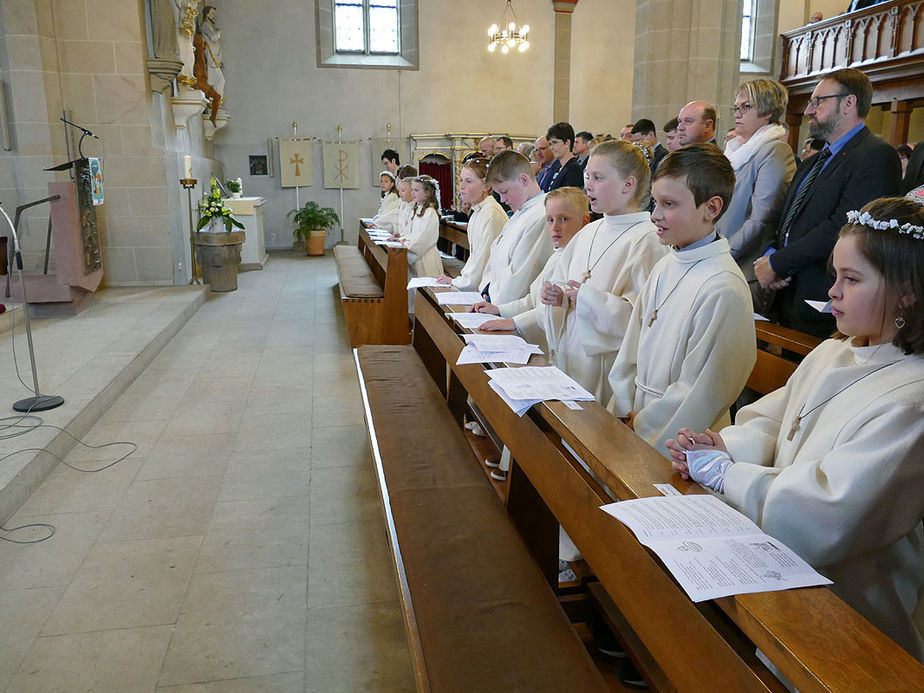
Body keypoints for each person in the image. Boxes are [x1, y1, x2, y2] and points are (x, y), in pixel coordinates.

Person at [666, 197, 924, 663]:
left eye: (852, 279)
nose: (834, 293)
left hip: (848, 603)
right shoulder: (836, 350)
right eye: (835, 276)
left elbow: (832, 510)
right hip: (774, 557)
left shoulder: (912, 398)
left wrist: (728, 475)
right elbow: (774, 420)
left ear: (908, 291)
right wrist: (723, 445)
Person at [607, 144, 756, 455]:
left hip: (678, 443)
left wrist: (642, 425)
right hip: (634, 419)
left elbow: (701, 391)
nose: (655, 216)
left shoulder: (722, 288)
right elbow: (630, 346)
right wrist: (622, 406)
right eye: (655, 202)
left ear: (711, 208)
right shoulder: (666, 263)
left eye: (669, 204)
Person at [754, 68, 902, 337]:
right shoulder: (812, 162)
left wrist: (780, 263)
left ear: (849, 103)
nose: (810, 110)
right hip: (786, 292)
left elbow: (845, 226)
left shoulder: (875, 155)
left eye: (818, 101)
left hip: (824, 300)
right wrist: (771, 253)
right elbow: (788, 218)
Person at [536, 141, 666, 402]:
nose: (588, 186)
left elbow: (642, 320)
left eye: (598, 177)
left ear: (628, 185)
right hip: (570, 356)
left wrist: (585, 299)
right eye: (587, 177)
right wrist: (558, 297)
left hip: (607, 369)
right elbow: (565, 282)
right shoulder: (588, 232)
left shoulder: (647, 240)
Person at [476, 187, 590, 351]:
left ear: (584, 221)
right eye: (550, 220)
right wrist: (500, 309)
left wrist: (514, 322)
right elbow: (533, 299)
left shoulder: (580, 259)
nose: (554, 227)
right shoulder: (557, 255)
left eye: (564, 219)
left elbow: (555, 312)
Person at [717, 79, 797, 296]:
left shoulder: (775, 151)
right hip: (721, 256)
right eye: (736, 107)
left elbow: (762, 218)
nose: (737, 113)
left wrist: (721, 253)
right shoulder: (734, 150)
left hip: (745, 267)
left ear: (768, 111)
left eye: (746, 106)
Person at [476, 151, 553, 306]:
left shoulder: (542, 215)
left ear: (523, 180)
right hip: (494, 304)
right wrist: (486, 290)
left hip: (513, 312)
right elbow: (495, 258)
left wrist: (493, 300)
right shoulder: (520, 213)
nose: (503, 200)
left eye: (504, 192)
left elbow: (521, 278)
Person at [435, 158, 507, 291]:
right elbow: (475, 258)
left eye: (468, 181)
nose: (461, 186)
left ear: (486, 186)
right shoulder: (478, 212)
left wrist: (457, 282)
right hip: (477, 284)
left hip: (488, 288)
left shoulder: (491, 214)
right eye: (461, 180)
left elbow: (484, 261)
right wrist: (459, 280)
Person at [546, 122, 585, 191]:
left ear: (567, 143)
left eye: (554, 142)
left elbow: (570, 199)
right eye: (550, 144)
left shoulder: (574, 169)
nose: (551, 147)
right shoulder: (556, 164)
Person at [391, 165, 417, 239]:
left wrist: (402, 238)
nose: (399, 193)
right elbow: (398, 218)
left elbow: (413, 229)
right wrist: (397, 231)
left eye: (403, 190)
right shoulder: (404, 203)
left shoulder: (416, 206)